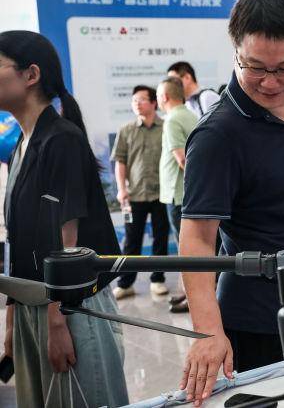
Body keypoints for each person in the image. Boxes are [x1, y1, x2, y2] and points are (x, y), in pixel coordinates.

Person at [178, 0, 284, 406]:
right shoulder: (217, 135)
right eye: (255, 67)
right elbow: (197, 239)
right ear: (235, 54)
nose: (271, 82)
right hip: (256, 318)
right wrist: (207, 331)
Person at [0, 30, 128, 407]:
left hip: (70, 307)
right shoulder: (22, 146)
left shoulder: (62, 139)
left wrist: (57, 321)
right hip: (33, 305)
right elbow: (21, 240)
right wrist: (12, 317)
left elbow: (65, 239)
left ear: (31, 75)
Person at [111, 85, 170, 300]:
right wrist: (121, 189)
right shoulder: (126, 129)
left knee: (160, 238)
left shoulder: (166, 127)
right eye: (134, 100)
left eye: (141, 99)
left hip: (161, 194)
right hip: (134, 195)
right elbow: (120, 162)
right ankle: (126, 283)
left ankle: (158, 279)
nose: (136, 103)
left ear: (154, 103)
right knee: (131, 241)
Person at [156, 76, 198, 313]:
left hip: (178, 193)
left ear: (164, 97)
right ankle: (187, 293)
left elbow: (183, 159)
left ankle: (191, 297)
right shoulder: (190, 114)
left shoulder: (172, 120)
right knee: (192, 248)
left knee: (186, 249)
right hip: (188, 193)